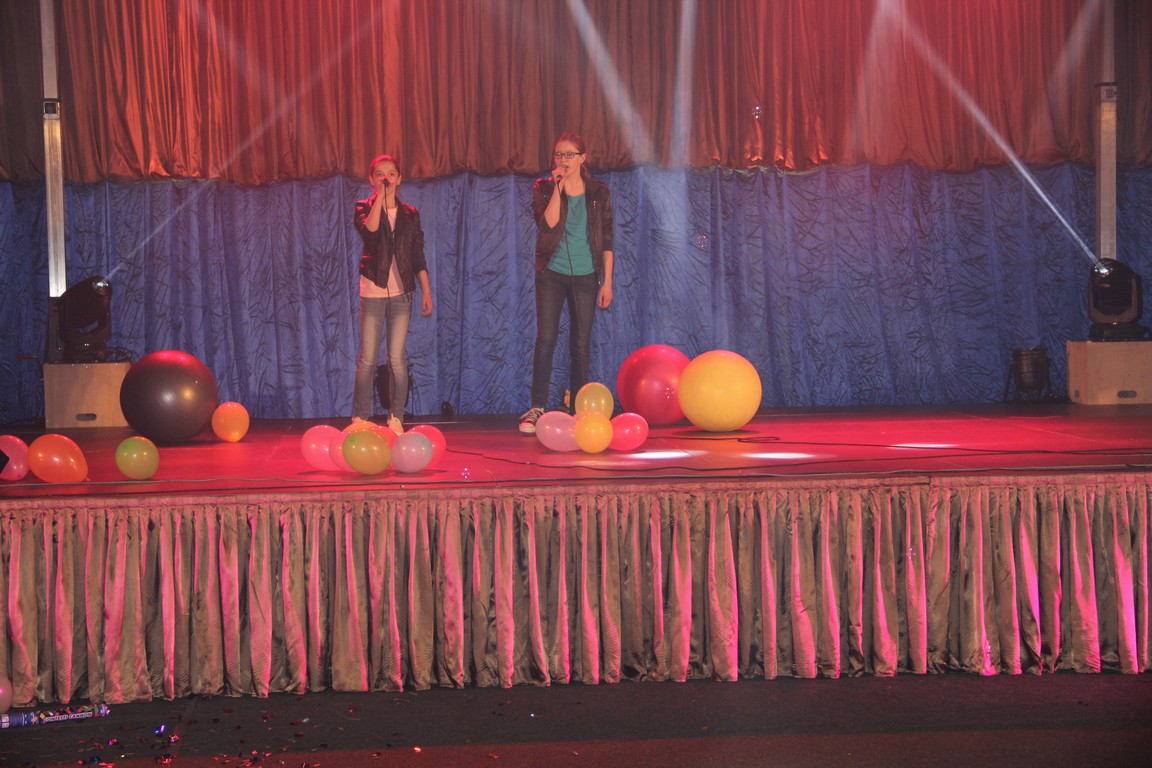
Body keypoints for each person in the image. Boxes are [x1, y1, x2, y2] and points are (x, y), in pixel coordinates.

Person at [519, 132, 614, 434]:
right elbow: (547, 223)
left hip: (586, 276)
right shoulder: (545, 187)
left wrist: (607, 282)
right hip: (551, 273)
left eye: (569, 154)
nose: (563, 160)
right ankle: (537, 407)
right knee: (546, 339)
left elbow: (607, 239)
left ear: (583, 158)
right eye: (559, 154)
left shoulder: (598, 193)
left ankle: (578, 408)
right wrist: (558, 186)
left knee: (580, 344)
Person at [352, 153, 433, 435]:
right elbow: (371, 232)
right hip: (372, 291)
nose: (385, 178)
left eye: (391, 174)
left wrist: (426, 290)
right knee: (368, 358)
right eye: (379, 174)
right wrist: (380, 200)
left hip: (402, 294)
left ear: (399, 179)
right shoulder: (363, 208)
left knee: (397, 358)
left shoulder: (410, 214)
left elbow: (417, 254)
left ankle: (396, 416)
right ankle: (360, 417)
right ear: (372, 180)